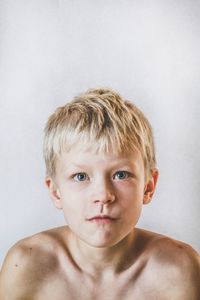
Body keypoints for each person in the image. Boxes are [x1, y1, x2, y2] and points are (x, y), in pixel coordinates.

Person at [0, 88, 199, 299]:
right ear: (55, 191)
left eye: (121, 174)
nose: (103, 195)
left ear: (148, 187)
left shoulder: (180, 272)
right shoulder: (25, 266)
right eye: (80, 176)